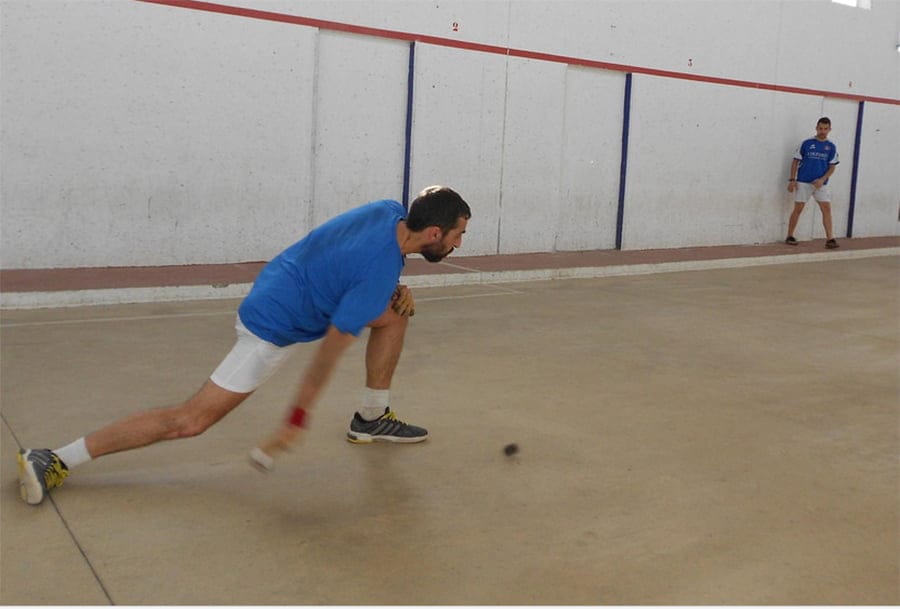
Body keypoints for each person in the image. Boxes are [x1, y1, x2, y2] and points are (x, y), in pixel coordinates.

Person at [17, 185, 471, 505]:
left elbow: (347, 256)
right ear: (434, 234)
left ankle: (371, 418)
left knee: (394, 314)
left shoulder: (386, 211)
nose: (458, 243)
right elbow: (328, 354)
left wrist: (389, 286)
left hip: (280, 280)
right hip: (271, 327)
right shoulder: (376, 275)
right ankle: (55, 458)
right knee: (190, 421)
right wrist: (295, 419)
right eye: (457, 235)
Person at [785, 117, 840, 249]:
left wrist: (822, 179)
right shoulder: (806, 143)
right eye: (820, 128)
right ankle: (790, 236)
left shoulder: (831, 147)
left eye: (825, 129)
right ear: (816, 128)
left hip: (821, 185)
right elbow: (795, 161)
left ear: (829, 129)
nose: (823, 131)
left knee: (826, 209)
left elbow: (832, 167)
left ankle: (830, 239)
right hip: (803, 182)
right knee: (798, 208)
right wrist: (792, 180)